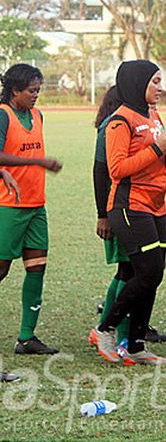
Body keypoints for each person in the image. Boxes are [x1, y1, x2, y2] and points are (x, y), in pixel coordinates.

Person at [89, 60, 166, 366]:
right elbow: (117, 169)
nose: (160, 87)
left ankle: (137, 346)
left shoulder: (153, 115)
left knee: (154, 275)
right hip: (130, 205)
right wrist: (157, 149)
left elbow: (153, 158)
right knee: (147, 272)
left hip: (157, 204)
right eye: (155, 81)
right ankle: (104, 329)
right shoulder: (119, 121)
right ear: (137, 82)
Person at [0, 64, 62, 358]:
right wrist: (38, 163)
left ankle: (27, 338)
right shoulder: (3, 115)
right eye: (31, 91)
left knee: (36, 267)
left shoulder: (37, 115)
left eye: (38, 90)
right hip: (8, 206)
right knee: (1, 269)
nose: (36, 95)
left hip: (36, 206)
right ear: (14, 91)